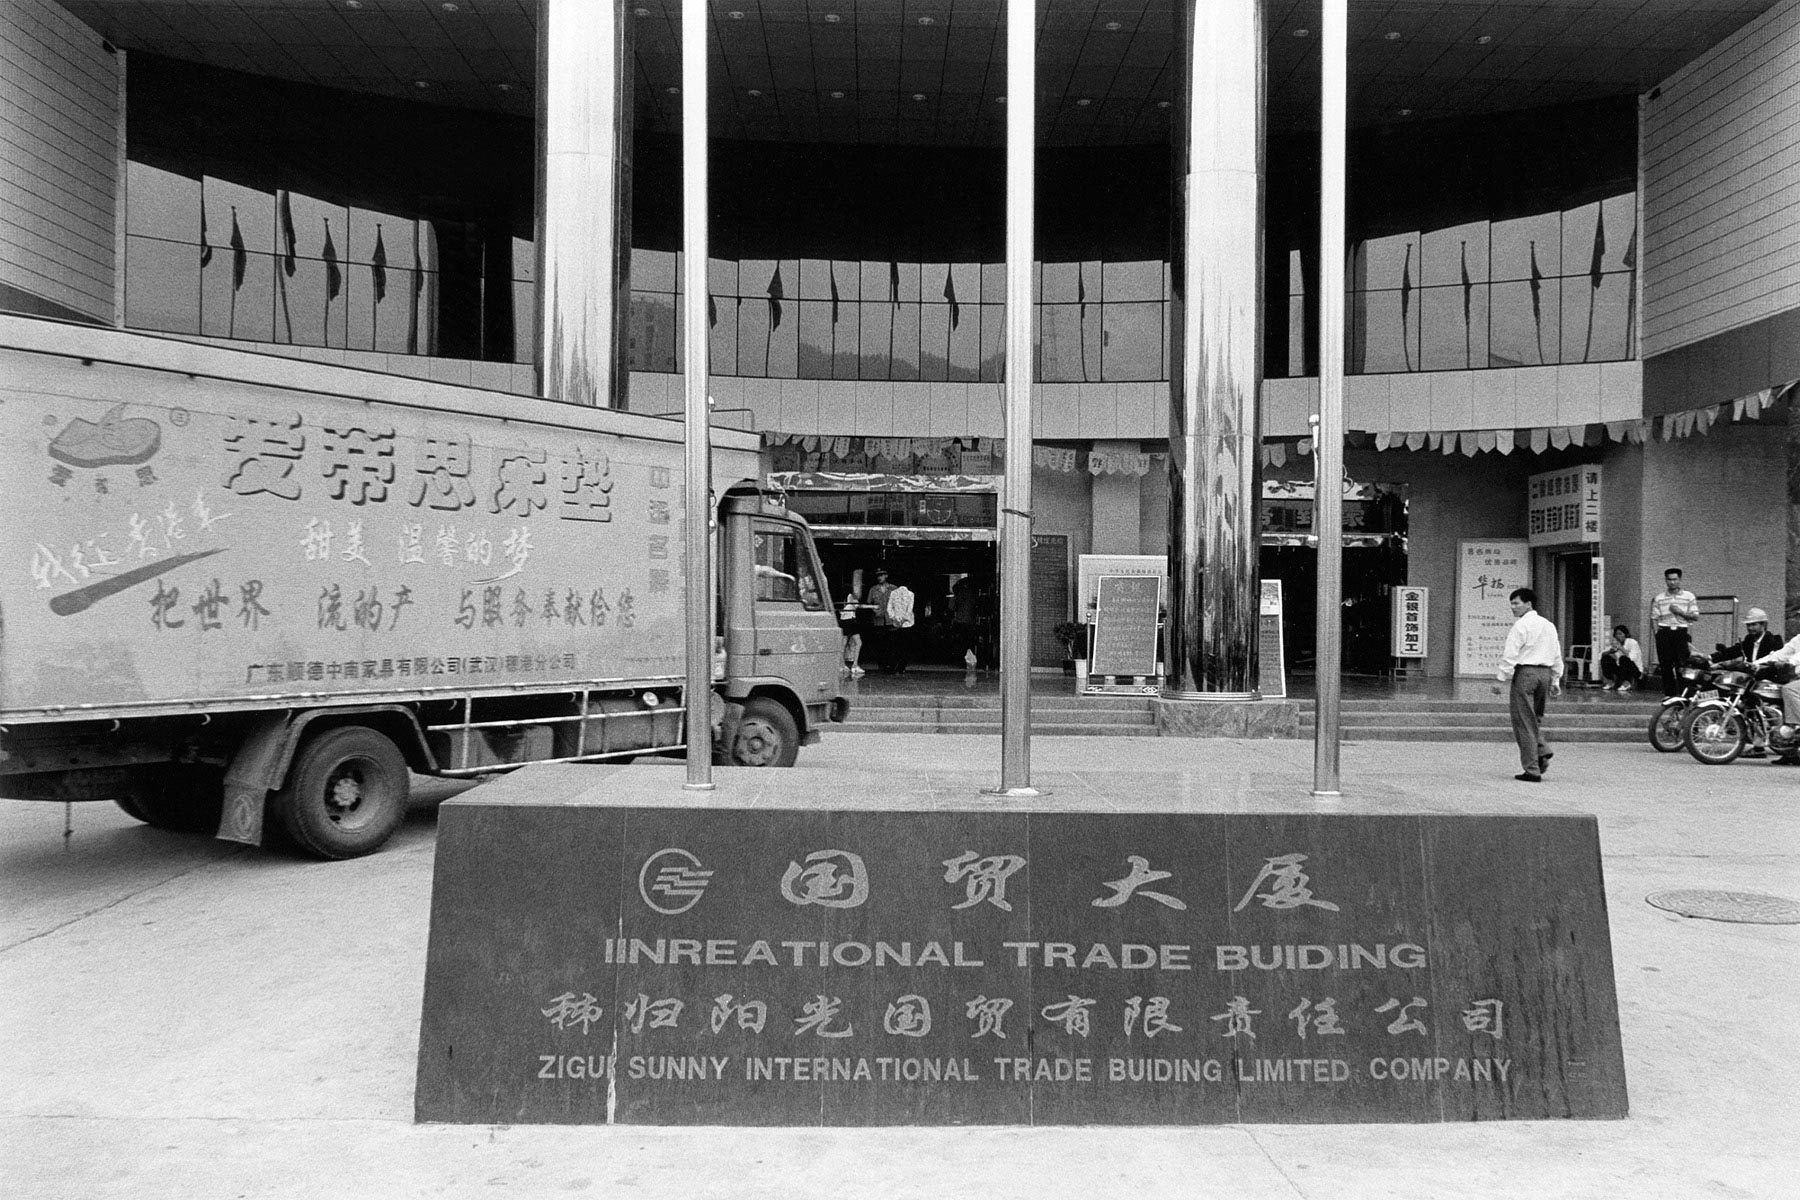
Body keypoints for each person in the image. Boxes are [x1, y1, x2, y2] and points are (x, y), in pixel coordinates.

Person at [1493, 586, 1563, 782]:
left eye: (1516, 603)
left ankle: (1532, 768)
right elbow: (1556, 653)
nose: (1513, 607)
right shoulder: (1548, 625)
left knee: (1523, 720)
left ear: (1528, 604)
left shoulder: (1521, 626)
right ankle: (1541, 751)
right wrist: (1556, 678)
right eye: (1511, 603)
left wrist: (1501, 678)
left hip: (1526, 673)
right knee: (1535, 718)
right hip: (1545, 673)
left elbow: (1511, 653)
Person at [1751, 626, 1800, 766]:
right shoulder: (1798, 639)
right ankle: (1790, 753)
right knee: (1778, 693)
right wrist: (1755, 664)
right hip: (1797, 678)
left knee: (1789, 689)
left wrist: (1790, 662)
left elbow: (1797, 657)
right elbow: (1781, 653)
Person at [1649, 567, 1700, 697]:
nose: (1672, 582)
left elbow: (1695, 616)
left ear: (1680, 579)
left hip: (1680, 632)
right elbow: (1654, 618)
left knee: (1682, 665)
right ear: (1665, 580)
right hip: (1664, 632)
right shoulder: (1659, 598)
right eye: (1669, 579)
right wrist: (1657, 635)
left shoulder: (1688, 596)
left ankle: (1683, 695)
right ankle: (1669, 695)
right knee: (1665, 666)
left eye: (1675, 579)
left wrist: (1680, 612)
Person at [1713, 607, 1782, 666]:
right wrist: (1711, 658)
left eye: (1754, 624)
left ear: (1763, 625)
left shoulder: (1775, 641)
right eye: (1748, 625)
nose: (1750, 628)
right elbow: (1733, 651)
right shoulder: (1749, 640)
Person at [864, 568, 896, 675]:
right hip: (878, 620)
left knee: (892, 643)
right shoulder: (873, 589)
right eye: (878, 575)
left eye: (882, 575)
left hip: (890, 620)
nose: (879, 577)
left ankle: (891, 665)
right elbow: (869, 603)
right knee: (880, 644)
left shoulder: (893, 588)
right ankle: (882, 665)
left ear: (886, 575)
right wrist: (874, 609)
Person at [883, 578, 916, 674]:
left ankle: (893, 666)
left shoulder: (893, 593)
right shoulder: (910, 594)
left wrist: (894, 618)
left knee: (895, 646)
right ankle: (901, 667)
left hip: (895, 623)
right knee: (905, 647)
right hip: (907, 623)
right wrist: (903, 619)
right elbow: (909, 609)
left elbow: (889, 608)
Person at [1598, 624, 1644, 691]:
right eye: (1616, 634)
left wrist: (1621, 648)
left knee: (1623, 658)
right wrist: (1610, 651)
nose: (1618, 636)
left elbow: (1632, 658)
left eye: (1620, 634)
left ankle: (1627, 683)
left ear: (1625, 634)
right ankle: (1610, 681)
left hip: (1634, 669)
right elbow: (1601, 655)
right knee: (1606, 658)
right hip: (1622, 669)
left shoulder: (1632, 642)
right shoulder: (1616, 643)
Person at [838, 585, 865, 677]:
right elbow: (856, 605)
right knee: (858, 642)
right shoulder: (851, 596)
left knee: (843, 643)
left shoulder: (845, 598)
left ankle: (842, 665)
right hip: (850, 620)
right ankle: (855, 665)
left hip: (843, 620)